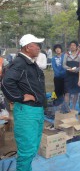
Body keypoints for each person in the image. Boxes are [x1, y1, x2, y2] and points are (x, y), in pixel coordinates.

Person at [1, 34, 45, 171]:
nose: (39, 48)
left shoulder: (29, 62)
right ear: (27, 47)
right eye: (36, 45)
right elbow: (6, 83)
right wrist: (20, 97)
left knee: (32, 147)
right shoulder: (20, 63)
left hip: (35, 110)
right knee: (27, 150)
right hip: (27, 111)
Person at [63, 40, 80, 110]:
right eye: (71, 45)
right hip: (68, 76)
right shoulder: (66, 55)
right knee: (67, 92)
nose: (72, 46)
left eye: (74, 45)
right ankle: (67, 107)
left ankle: (73, 107)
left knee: (76, 92)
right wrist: (69, 68)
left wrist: (76, 70)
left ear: (77, 47)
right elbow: (63, 65)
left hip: (76, 76)